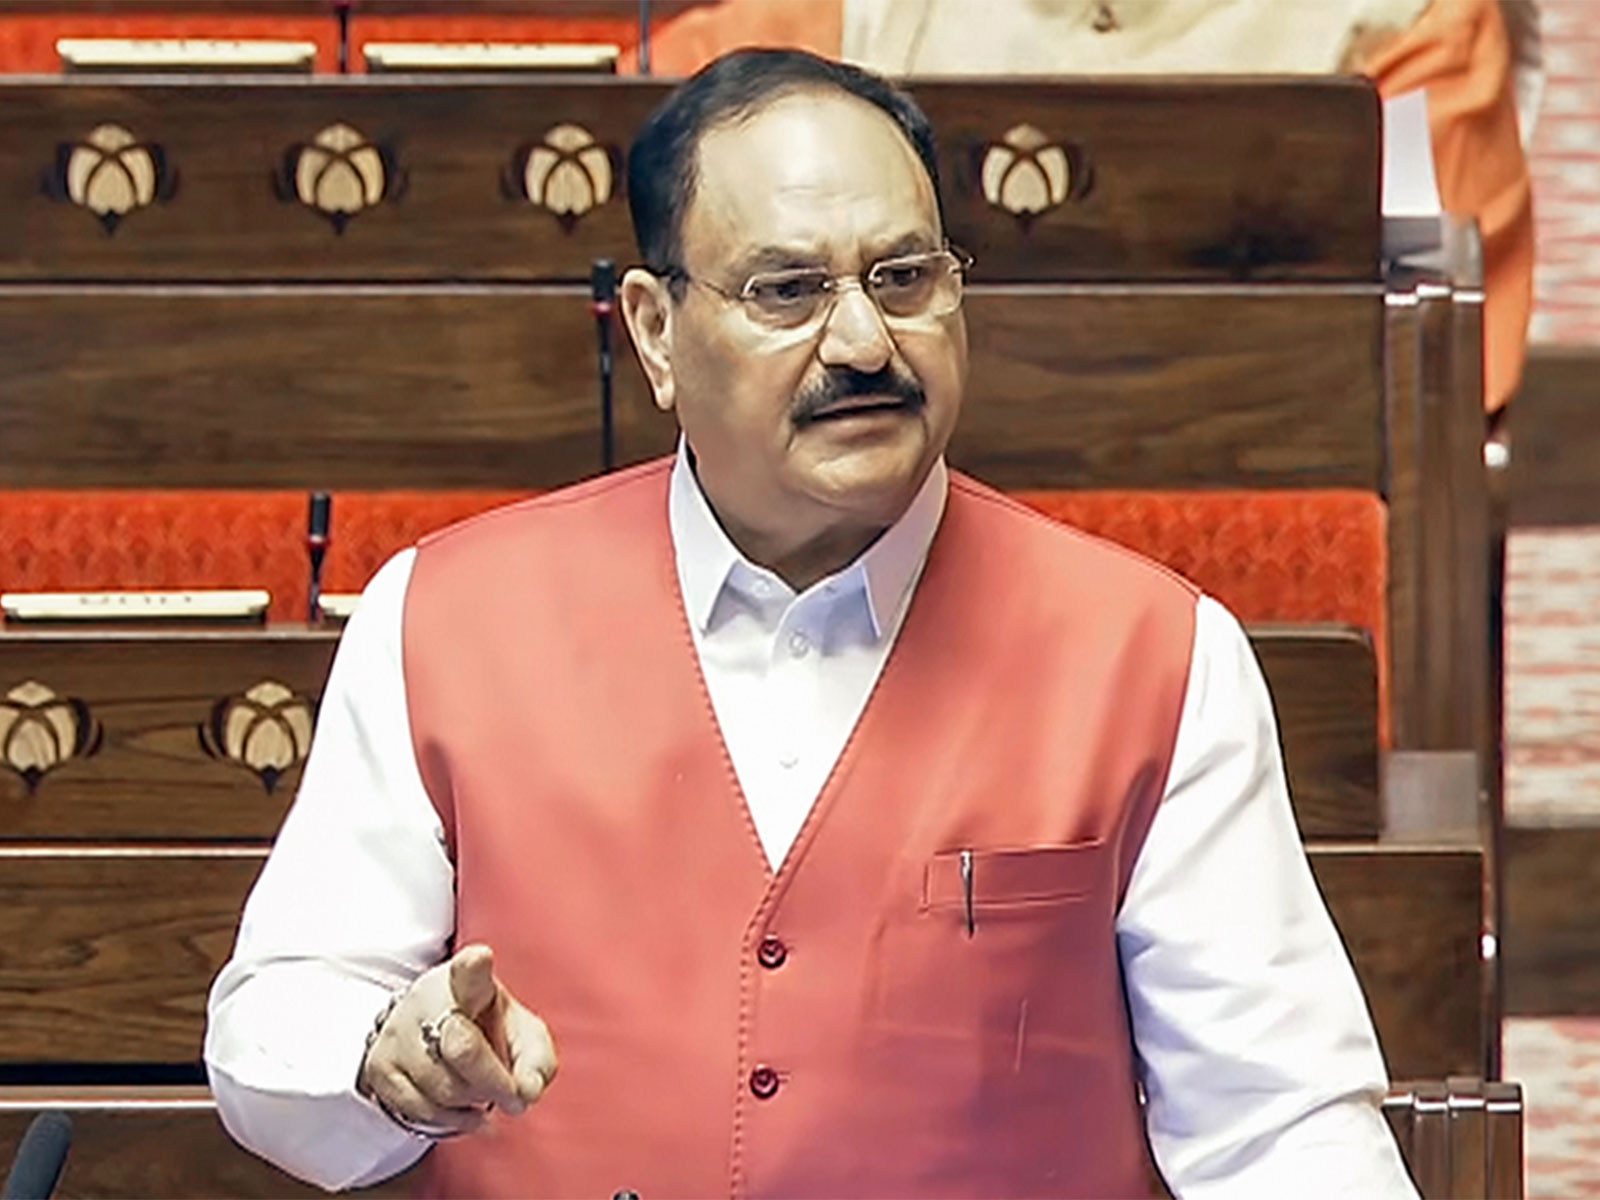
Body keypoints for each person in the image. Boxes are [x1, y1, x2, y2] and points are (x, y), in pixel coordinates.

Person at [205, 49, 1418, 1198]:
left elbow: (1276, 1121)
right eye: (788, 290)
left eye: (904, 278)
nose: (862, 342)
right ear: (655, 330)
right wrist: (383, 1054)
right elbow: (278, 1016)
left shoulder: (1155, 653)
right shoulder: (442, 617)